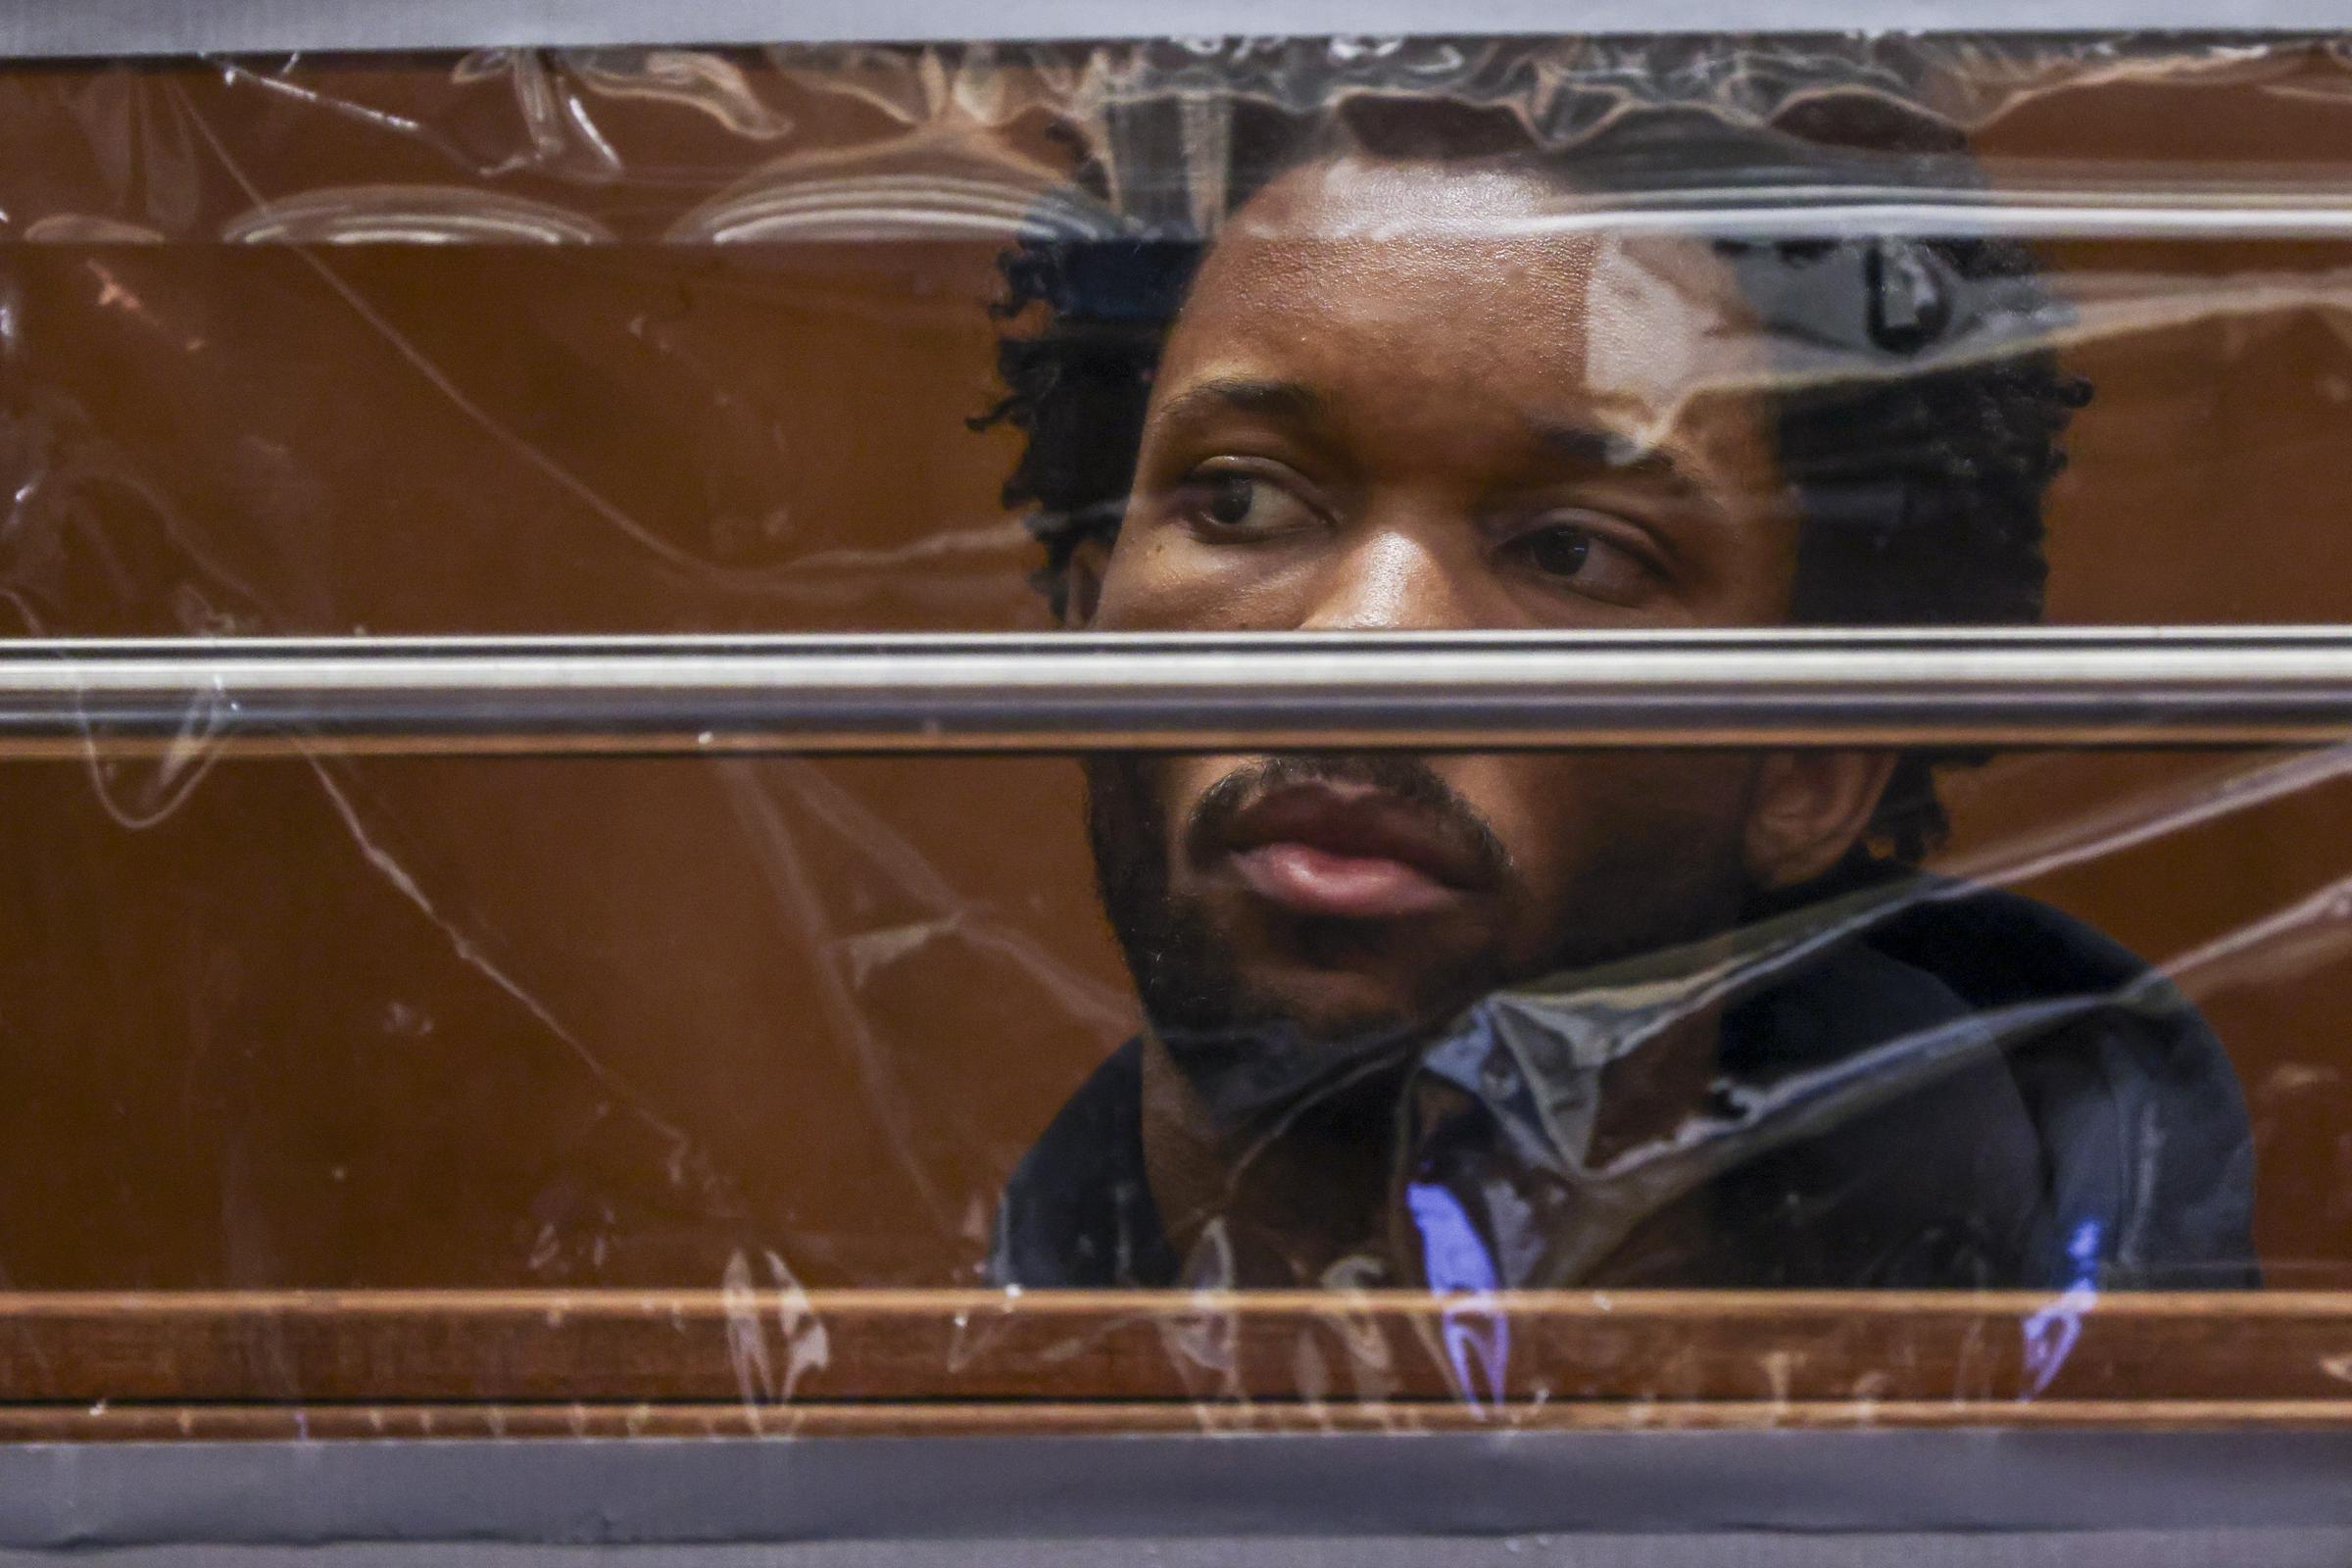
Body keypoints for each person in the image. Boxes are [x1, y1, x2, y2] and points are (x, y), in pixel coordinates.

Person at [977, 100, 2257, 1293]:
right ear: (1091, 621)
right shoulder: (897, 1412)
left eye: (1572, 550)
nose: (1358, 649)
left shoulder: (2153, 1456)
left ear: (1815, 762)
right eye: (1242, 500)